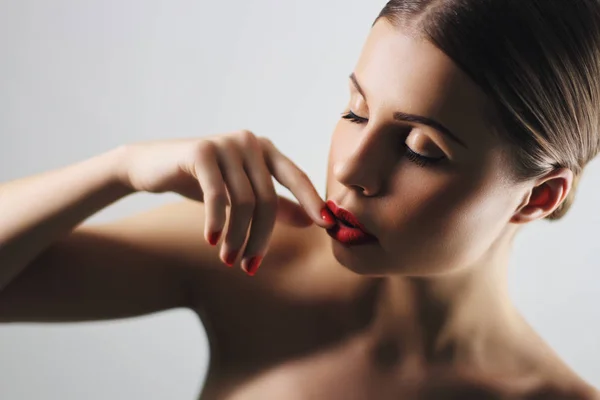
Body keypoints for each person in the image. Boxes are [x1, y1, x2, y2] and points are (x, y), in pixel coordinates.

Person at [1, 0, 599, 398]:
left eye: (421, 147)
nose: (348, 167)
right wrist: (119, 169)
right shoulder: (251, 252)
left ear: (539, 196)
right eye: (354, 110)